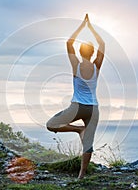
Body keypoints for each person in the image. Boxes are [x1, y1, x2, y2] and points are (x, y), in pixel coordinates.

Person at [46, 14, 105, 179]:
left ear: (80, 52)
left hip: (77, 107)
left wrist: (81, 26)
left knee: (51, 124)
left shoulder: (76, 65)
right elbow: (102, 44)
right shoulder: (97, 66)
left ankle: (78, 129)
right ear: (93, 53)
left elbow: (69, 43)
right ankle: (81, 175)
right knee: (88, 144)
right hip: (93, 109)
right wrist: (91, 28)